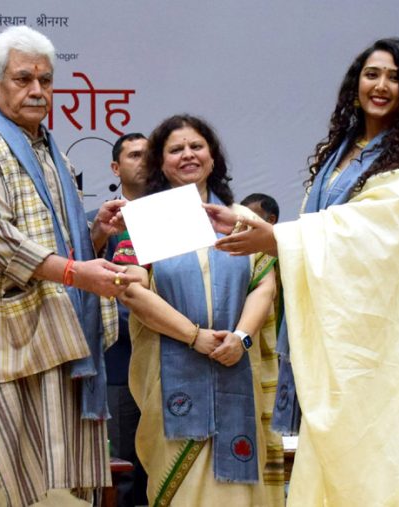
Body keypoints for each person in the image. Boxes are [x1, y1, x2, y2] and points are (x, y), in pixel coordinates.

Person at [204, 38, 399, 505]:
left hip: (394, 343)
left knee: (388, 459)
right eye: (372, 73)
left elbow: (374, 231)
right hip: (344, 340)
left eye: (394, 77)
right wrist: (265, 232)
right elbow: (326, 231)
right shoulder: (342, 150)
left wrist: (277, 238)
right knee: (340, 459)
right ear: (355, 81)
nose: (381, 85)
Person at [0, 26, 138, 506]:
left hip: (56, 341)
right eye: (23, 79)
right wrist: (78, 273)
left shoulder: (49, 151)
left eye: (46, 81)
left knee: (57, 489)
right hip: (3, 349)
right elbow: (5, 245)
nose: (37, 90)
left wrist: (92, 235)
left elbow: (51, 241)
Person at [119, 114, 284, 506]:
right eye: (175, 149)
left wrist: (242, 338)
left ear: (213, 157)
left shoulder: (239, 219)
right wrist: (195, 338)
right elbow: (131, 292)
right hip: (171, 377)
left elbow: (265, 284)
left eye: (197, 146)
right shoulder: (146, 220)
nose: (187, 155)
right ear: (160, 162)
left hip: (236, 369)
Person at [89, 132, 149, 507]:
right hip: (119, 360)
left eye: (149, 154)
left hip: (170, 355)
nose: (143, 161)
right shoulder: (101, 221)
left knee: (163, 463)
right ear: (116, 167)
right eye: (134, 155)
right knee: (123, 469)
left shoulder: (176, 215)